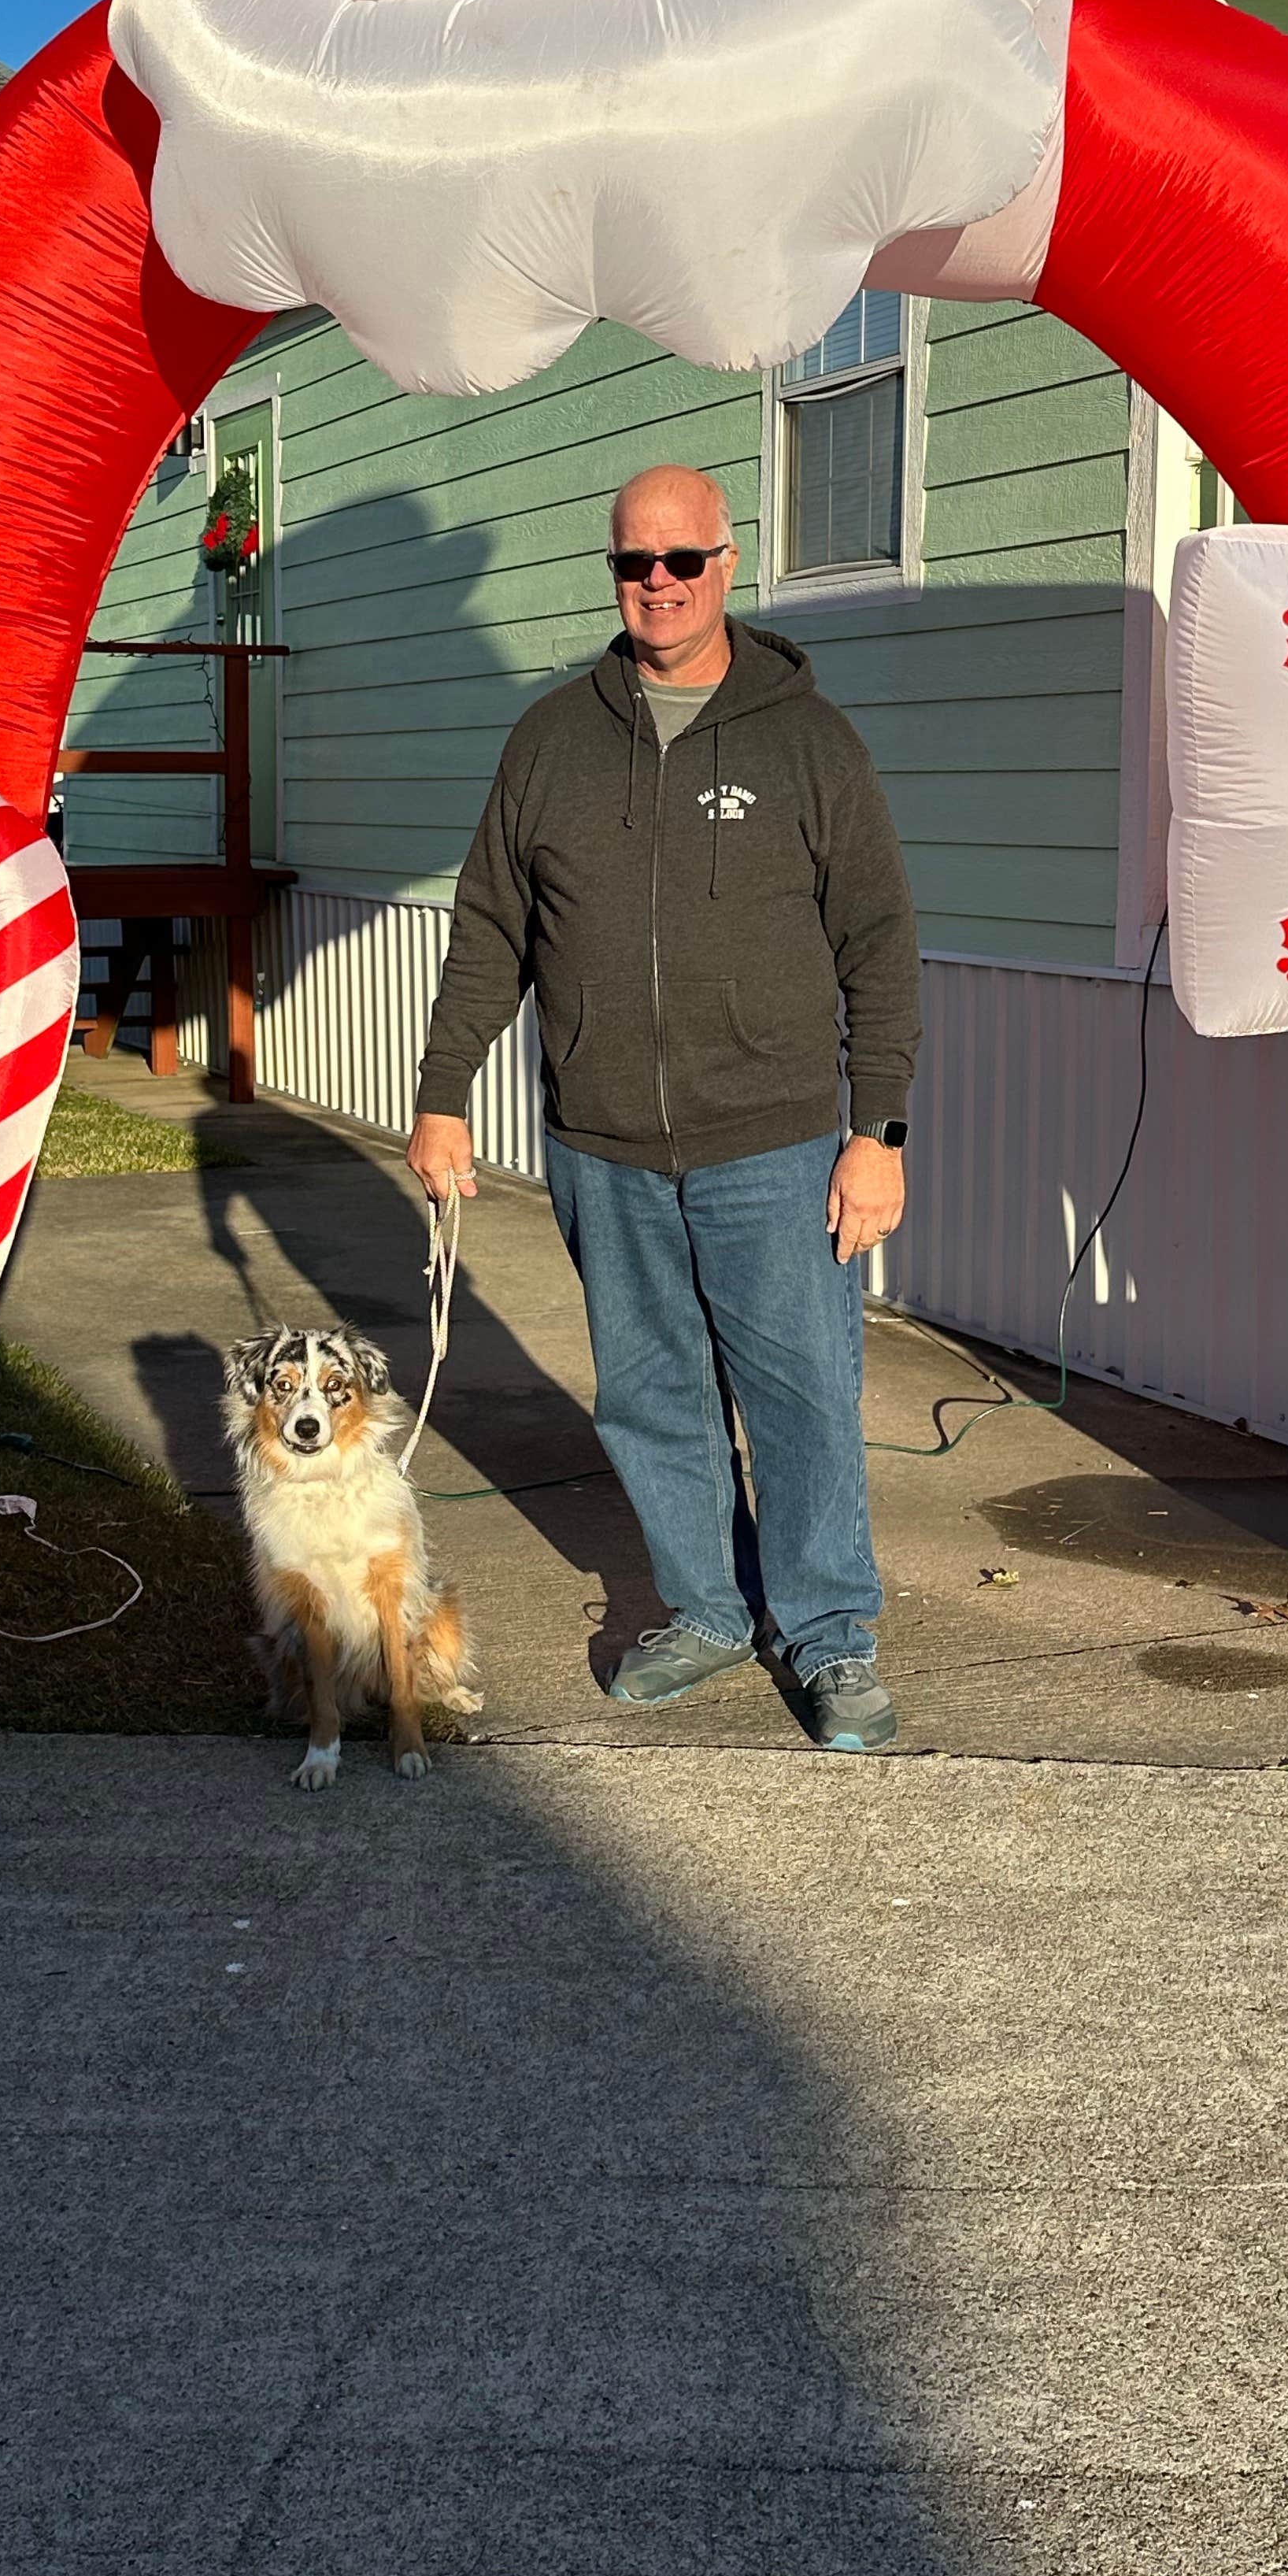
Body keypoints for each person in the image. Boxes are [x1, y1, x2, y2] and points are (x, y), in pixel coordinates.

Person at [407, 464, 920, 1750]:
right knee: (650, 1397)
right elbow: (490, 932)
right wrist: (444, 1096)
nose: (658, 585)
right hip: (603, 1150)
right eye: (634, 563)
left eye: (681, 561)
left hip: (778, 1138)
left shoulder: (808, 739)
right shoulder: (551, 741)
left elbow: (880, 943)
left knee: (801, 1394)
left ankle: (830, 1639)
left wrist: (881, 1130)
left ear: (727, 564)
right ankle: (702, 1610)